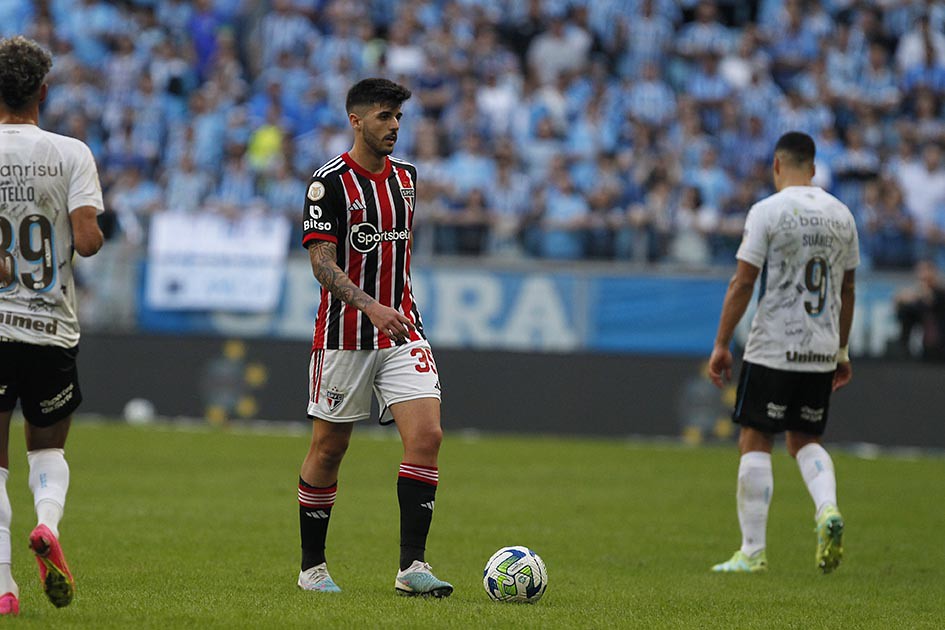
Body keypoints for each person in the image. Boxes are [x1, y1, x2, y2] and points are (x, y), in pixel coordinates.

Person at [295, 78, 452, 597]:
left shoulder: (406, 178)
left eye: (400, 118)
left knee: (427, 436)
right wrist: (369, 306)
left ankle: (412, 567)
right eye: (385, 117)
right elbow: (322, 264)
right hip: (345, 335)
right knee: (330, 447)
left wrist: (391, 309)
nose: (395, 127)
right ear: (356, 120)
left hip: (403, 329)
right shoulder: (328, 183)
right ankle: (312, 567)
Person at [708, 132, 859, 574]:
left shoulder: (768, 211)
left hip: (774, 344)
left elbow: (743, 281)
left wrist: (721, 343)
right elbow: (848, 289)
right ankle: (827, 508)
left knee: (756, 437)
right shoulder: (842, 214)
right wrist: (842, 351)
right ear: (813, 169)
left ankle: (752, 552)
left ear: (777, 165)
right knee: (805, 440)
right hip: (820, 348)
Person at [0, 36, 105, 614]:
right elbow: (87, 242)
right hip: (51, 330)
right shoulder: (71, 153)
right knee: (47, 451)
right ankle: (47, 525)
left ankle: (4, 588)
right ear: (43, 90)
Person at [894, 259, 945, 361]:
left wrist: (919, 293)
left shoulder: (940, 290)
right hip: (925, 326)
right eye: (920, 271)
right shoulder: (917, 291)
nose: (922, 275)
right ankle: (904, 349)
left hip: (939, 331)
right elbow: (899, 299)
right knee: (905, 311)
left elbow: (930, 299)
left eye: (925, 271)